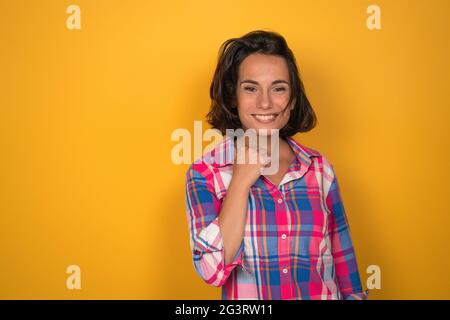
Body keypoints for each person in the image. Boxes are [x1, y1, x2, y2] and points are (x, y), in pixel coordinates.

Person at [185, 30, 368, 300]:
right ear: (234, 97)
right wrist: (240, 181)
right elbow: (212, 271)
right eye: (251, 88)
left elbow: (345, 266)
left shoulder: (319, 169)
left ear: (292, 99)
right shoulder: (205, 174)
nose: (265, 102)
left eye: (279, 88)